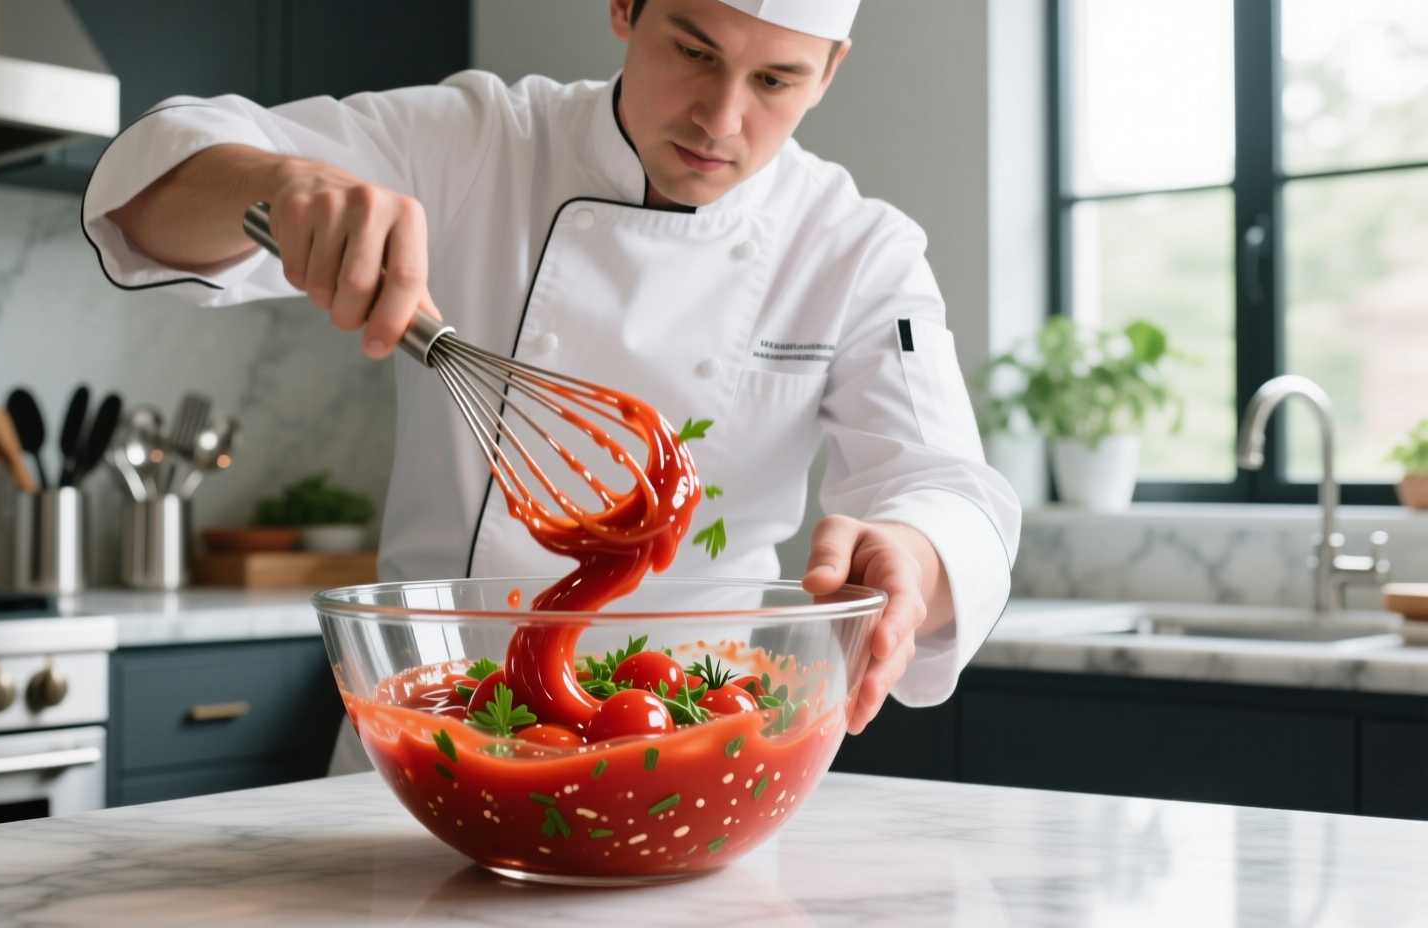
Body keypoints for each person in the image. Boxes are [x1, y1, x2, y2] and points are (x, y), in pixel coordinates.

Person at [84, 0, 1020, 747]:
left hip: (689, 742)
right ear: (625, 5)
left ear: (831, 70)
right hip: (433, 734)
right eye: (693, 52)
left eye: (776, 79)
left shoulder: (856, 250)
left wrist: (920, 555)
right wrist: (276, 187)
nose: (721, 118)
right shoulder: (479, 140)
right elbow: (146, 191)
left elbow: (943, 485)